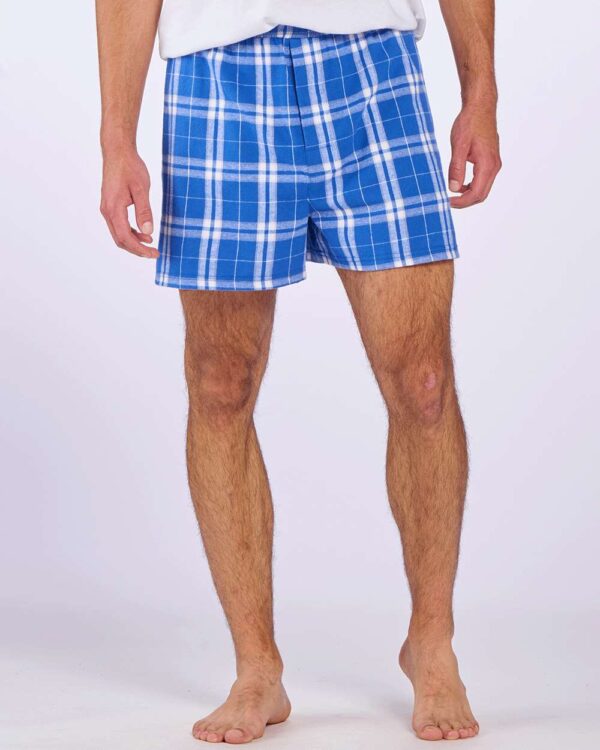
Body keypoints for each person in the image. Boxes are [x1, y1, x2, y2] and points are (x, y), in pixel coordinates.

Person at [96, 0, 501, 743]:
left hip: (372, 63)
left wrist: (482, 92)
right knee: (220, 385)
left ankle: (433, 643)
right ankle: (256, 668)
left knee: (423, 382)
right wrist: (116, 136)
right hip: (218, 74)